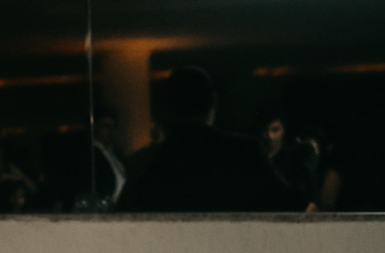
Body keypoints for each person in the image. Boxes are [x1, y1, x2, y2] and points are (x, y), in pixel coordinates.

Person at [120, 66, 303, 212]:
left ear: (168, 106)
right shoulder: (246, 151)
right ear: (213, 102)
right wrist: (306, 162)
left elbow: (124, 214)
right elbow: (290, 203)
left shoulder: (145, 162)